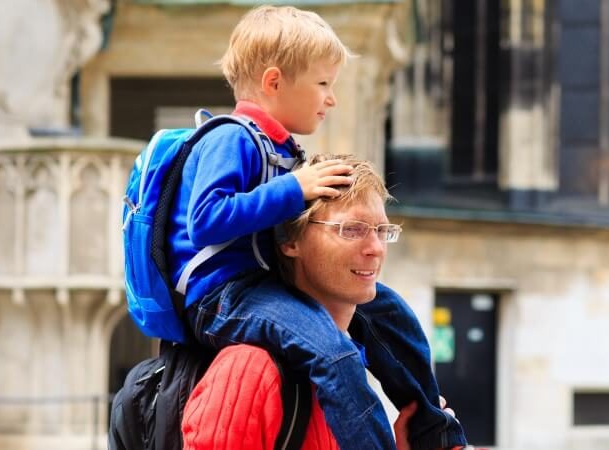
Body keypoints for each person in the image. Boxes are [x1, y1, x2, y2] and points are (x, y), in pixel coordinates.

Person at [169, 6, 465, 450]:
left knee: (394, 315)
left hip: (254, 286)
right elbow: (206, 220)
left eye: (381, 231)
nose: (332, 98)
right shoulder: (230, 137)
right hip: (222, 296)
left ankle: (436, 435)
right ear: (274, 82)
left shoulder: (279, 146)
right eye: (323, 83)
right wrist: (294, 188)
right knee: (334, 354)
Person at [181, 156, 463, 450]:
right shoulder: (250, 370)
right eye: (351, 229)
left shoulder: (358, 357)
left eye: (382, 231)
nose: (375, 248)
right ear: (290, 242)